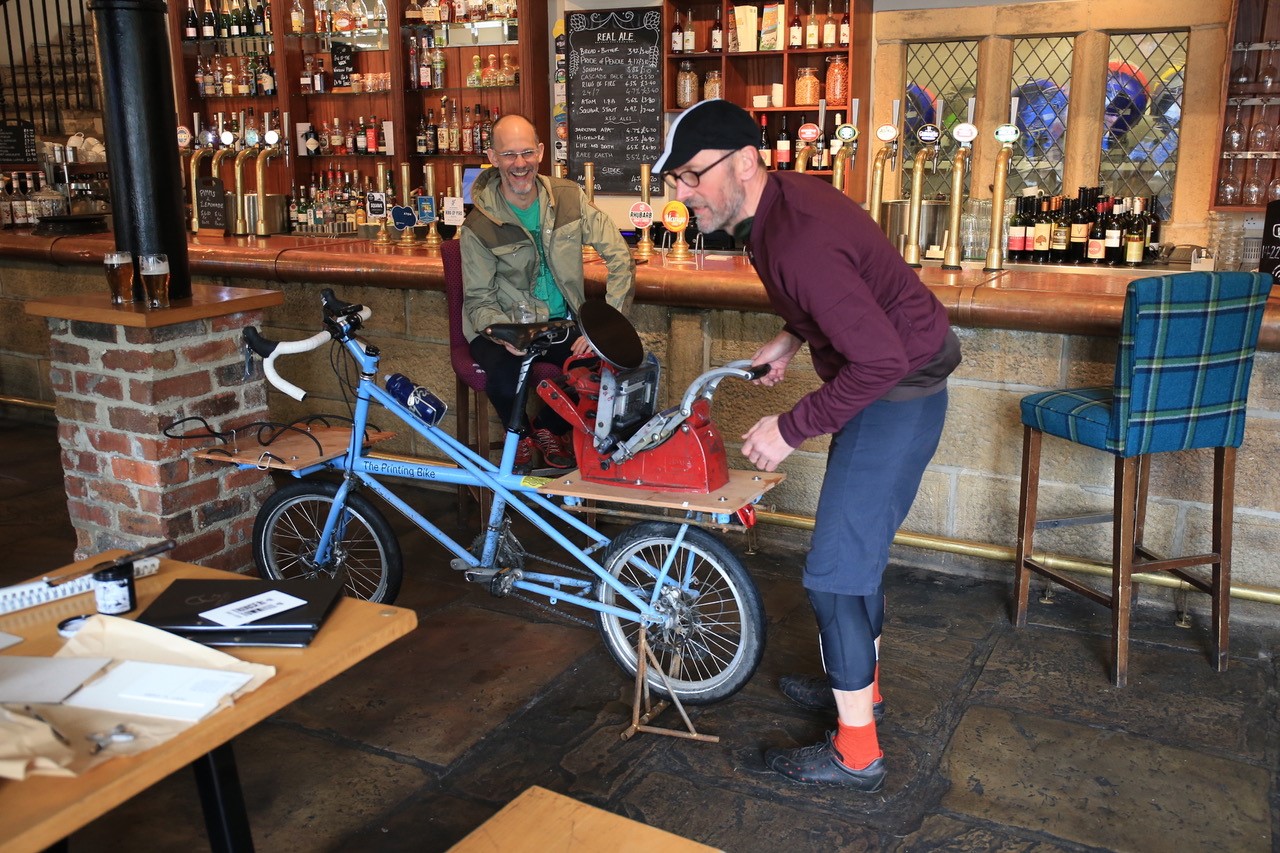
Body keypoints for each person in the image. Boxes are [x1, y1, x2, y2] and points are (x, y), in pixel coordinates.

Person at [654, 99, 961, 792]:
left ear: (743, 161)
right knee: (854, 563)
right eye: (675, 180)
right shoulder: (775, 209)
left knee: (831, 574)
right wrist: (791, 338)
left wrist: (790, 426)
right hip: (893, 382)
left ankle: (857, 751)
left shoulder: (795, 237)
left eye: (691, 177)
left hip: (897, 390)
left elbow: (877, 358)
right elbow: (833, 292)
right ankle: (861, 689)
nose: (681, 193)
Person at [460, 114, 635, 470]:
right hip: (502, 326)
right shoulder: (478, 225)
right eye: (509, 155)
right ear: (493, 157)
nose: (519, 163)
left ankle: (546, 428)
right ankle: (522, 436)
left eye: (526, 152)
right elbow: (478, 299)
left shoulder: (570, 198)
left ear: (541, 152)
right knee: (507, 382)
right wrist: (504, 333)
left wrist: (605, 327)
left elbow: (620, 258)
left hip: (560, 324)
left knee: (605, 374)